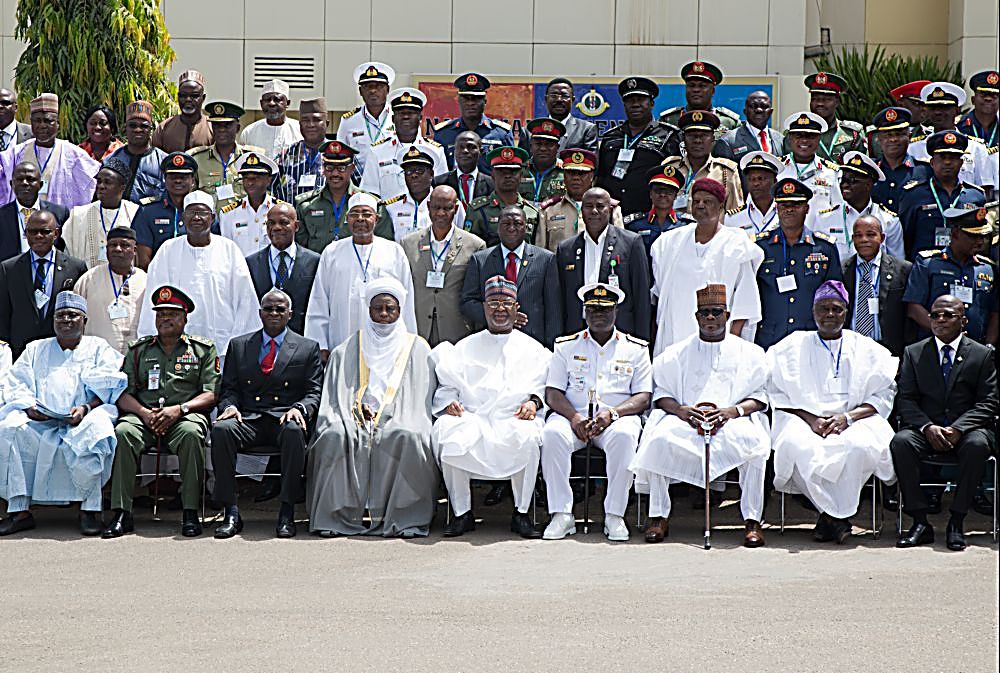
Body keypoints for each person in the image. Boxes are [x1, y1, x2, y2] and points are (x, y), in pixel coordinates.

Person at [631, 283, 770, 547]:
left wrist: (732, 411)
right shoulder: (673, 354)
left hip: (731, 421)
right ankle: (658, 515)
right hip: (686, 422)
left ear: (727, 316)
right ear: (696, 317)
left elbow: (761, 397)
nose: (710, 318)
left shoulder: (751, 353)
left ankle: (752, 520)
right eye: (704, 312)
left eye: (716, 312)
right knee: (658, 440)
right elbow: (661, 394)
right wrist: (682, 411)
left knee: (756, 445)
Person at [768, 280, 898, 544]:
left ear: (846, 312)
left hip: (855, 419)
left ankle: (828, 517)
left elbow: (884, 393)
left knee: (859, 446)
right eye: (824, 309)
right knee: (797, 446)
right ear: (813, 311)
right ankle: (835, 518)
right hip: (805, 420)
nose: (830, 315)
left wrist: (847, 418)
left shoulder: (867, 348)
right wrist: (811, 419)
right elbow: (776, 393)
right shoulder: (791, 346)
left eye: (836, 309)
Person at [307, 277, 438, 537]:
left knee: (409, 435)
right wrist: (358, 411)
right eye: (378, 308)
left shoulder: (418, 347)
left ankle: (405, 518)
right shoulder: (346, 350)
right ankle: (336, 516)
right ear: (369, 311)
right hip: (352, 414)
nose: (384, 314)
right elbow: (336, 397)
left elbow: (420, 396)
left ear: (400, 311)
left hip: (402, 414)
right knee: (333, 435)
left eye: (390, 309)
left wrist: (385, 414)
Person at [0, 291, 126, 537]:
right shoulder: (35, 348)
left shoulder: (99, 347)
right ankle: (19, 511)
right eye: (60, 316)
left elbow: (110, 385)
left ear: (84, 321)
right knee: (9, 429)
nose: (66, 320)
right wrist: (29, 407)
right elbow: (17, 383)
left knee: (98, 431)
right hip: (41, 421)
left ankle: (89, 510)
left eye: (72, 315)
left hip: (83, 418)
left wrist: (86, 408)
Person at [432, 275, 549, 539]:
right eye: (493, 303)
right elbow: (448, 384)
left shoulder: (533, 348)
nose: (499, 309)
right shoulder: (465, 346)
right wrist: (448, 402)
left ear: (516, 308)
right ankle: (462, 513)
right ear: (484, 307)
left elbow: (545, 384)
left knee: (528, 437)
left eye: (506, 303)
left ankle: (521, 513)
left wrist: (534, 402)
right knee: (447, 431)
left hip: (513, 417)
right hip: (472, 416)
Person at [103, 285, 220, 539]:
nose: (165, 318)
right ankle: (122, 512)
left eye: (172, 313)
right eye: (160, 314)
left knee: (191, 433)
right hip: (145, 417)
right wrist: (144, 414)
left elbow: (211, 393)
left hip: (183, 416)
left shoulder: (202, 350)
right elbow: (123, 393)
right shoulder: (138, 350)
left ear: (185, 318)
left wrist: (180, 409)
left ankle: (190, 512)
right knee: (123, 432)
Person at [541, 282, 652, 542]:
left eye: (605, 309)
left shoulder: (635, 349)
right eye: (592, 309)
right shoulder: (566, 346)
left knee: (625, 437)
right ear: (584, 312)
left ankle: (615, 514)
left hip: (616, 419)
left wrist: (612, 414)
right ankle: (562, 514)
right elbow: (553, 393)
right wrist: (574, 417)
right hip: (573, 416)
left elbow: (643, 397)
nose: (598, 314)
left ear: (616, 311)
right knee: (552, 435)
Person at [211, 288, 323, 539]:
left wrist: (299, 408)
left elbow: (313, 391)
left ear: (290, 314)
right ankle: (231, 511)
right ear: (260, 313)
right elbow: (229, 388)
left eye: (280, 309)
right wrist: (229, 407)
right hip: (249, 417)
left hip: (284, 418)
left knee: (295, 432)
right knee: (221, 430)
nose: (274, 313)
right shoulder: (239, 346)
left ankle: (286, 511)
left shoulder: (307, 347)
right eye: (269, 309)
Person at [891, 295, 999, 551]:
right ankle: (919, 521)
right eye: (935, 315)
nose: (940, 320)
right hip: (927, 428)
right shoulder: (914, 352)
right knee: (901, 442)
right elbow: (905, 400)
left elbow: (989, 402)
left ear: (963, 320)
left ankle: (957, 521)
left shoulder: (981, 355)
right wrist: (927, 427)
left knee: (978, 445)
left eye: (948, 315)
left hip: (966, 430)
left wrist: (959, 428)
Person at [138, 191, 260, 364]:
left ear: (212, 217)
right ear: (183, 216)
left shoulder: (229, 249)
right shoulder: (168, 250)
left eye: (202, 212)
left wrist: (239, 343)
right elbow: (154, 298)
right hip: (176, 347)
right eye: (191, 212)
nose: (196, 217)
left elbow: (246, 301)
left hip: (223, 346)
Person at [651, 178, 763, 354]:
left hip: (719, 338)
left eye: (707, 201)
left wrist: (732, 342)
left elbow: (745, 301)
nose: (701, 206)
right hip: (675, 335)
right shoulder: (670, 242)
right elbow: (658, 291)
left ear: (720, 206)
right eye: (697, 201)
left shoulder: (736, 244)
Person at [304, 192, 416, 361]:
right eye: (355, 214)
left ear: (376, 219)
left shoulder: (394, 251)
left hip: (386, 343)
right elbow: (319, 300)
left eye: (366, 214)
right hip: (342, 337)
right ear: (347, 219)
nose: (360, 219)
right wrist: (320, 345)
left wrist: (409, 342)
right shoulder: (332, 252)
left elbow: (406, 301)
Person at [754, 178, 842, 350]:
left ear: (807, 208)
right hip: (770, 338)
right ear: (777, 209)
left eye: (795, 205)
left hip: (811, 339)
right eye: (783, 205)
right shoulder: (760, 248)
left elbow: (834, 295)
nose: (789, 210)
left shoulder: (824, 248)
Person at [555, 187, 651, 340]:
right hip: (577, 332)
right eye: (588, 206)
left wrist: (642, 339)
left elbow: (641, 296)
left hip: (620, 331)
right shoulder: (566, 248)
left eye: (600, 206)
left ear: (610, 210)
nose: (594, 211)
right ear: (581, 211)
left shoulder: (631, 242)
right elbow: (559, 300)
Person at [461, 205, 561, 347]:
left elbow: (553, 309)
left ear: (526, 227)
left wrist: (551, 347)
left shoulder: (545, 259)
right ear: (498, 227)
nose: (512, 228)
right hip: (491, 341)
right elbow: (468, 302)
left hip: (532, 342)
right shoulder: (480, 260)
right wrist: (500, 316)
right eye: (506, 224)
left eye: (518, 224)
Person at [400, 185, 485, 346]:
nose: (441, 213)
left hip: (457, 329)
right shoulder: (408, 243)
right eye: (436, 207)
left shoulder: (474, 245)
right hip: (418, 328)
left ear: (456, 208)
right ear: (428, 207)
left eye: (447, 208)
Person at [903, 205, 997, 345]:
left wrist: (989, 346)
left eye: (982, 237)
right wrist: (943, 332)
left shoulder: (987, 268)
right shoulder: (929, 263)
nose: (980, 242)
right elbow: (914, 308)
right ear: (955, 234)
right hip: (935, 347)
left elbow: (995, 313)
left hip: (976, 351)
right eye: (973, 236)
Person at [0, 210, 87, 358]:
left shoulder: (75, 268)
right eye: (33, 232)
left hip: (61, 349)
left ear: (56, 233)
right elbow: (3, 314)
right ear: (26, 234)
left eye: (45, 231)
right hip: (21, 351)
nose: (38, 236)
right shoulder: (8, 268)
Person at [596, 76, 681, 218]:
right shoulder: (610, 137)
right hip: (612, 215)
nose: (635, 105)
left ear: (652, 103)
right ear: (624, 105)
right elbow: (601, 177)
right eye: (630, 101)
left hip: (648, 215)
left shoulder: (669, 135)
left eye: (641, 100)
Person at [897, 130, 988, 259]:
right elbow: (906, 237)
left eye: (953, 158)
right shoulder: (914, 195)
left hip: (962, 267)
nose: (947, 162)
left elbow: (980, 237)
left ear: (961, 163)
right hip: (925, 268)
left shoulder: (975, 196)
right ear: (932, 163)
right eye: (943, 157)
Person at [0, 93, 100, 208]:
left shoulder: (74, 154)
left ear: (58, 124)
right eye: (37, 121)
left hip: (59, 221)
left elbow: (92, 184)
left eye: (48, 121)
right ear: (31, 123)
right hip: (22, 221)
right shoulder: (15, 154)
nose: (42, 125)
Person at [810, 151, 904, 260]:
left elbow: (897, 264)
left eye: (851, 180)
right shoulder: (824, 219)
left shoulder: (888, 221)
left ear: (868, 185)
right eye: (843, 180)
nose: (844, 185)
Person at [841, 216, 913, 357]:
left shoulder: (903, 269)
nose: (864, 240)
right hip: (851, 349)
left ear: (882, 237)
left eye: (870, 234)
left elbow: (908, 317)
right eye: (858, 235)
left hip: (889, 350)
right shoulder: (842, 269)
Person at [246, 203, 321, 336]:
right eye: (270, 223)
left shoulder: (315, 261)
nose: (276, 228)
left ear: (296, 226)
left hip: (302, 341)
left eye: (284, 222)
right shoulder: (250, 263)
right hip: (262, 342)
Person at [909, 82, 996, 197]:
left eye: (944, 107)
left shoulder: (976, 148)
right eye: (933, 107)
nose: (938, 112)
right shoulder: (914, 149)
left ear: (957, 110)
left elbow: (986, 191)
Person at [359, 88, 447, 199]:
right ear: (392, 118)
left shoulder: (435, 151)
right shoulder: (377, 151)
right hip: (388, 215)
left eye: (411, 113)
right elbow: (369, 193)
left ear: (420, 118)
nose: (406, 117)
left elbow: (442, 191)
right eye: (401, 113)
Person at [73, 226, 147, 355]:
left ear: (134, 250)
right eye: (113, 245)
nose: (118, 249)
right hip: (97, 358)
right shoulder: (88, 280)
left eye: (124, 245)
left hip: (138, 358)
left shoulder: (146, 281)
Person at [541, 148, 625, 253]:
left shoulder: (611, 209)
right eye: (571, 173)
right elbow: (541, 254)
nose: (576, 178)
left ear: (591, 176)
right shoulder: (549, 210)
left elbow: (621, 249)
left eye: (581, 173)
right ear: (564, 176)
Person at [61, 157, 139, 268]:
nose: (101, 186)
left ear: (122, 188)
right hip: (86, 280)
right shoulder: (78, 215)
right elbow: (67, 253)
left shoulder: (135, 213)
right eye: (99, 181)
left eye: (107, 182)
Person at [661, 111, 743, 215]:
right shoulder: (670, 168)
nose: (698, 141)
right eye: (692, 135)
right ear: (683, 139)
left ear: (713, 139)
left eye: (704, 135)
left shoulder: (726, 171)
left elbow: (735, 215)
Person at [433, 72, 515, 175]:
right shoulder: (444, 133)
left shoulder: (501, 133)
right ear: (458, 100)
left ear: (485, 101)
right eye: (466, 98)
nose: (470, 103)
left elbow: (510, 169)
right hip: (454, 190)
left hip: (489, 189)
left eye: (476, 98)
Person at [131, 151, 203, 268]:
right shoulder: (148, 212)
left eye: (183, 177)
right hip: (161, 279)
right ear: (165, 179)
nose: (178, 181)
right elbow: (143, 260)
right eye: (173, 177)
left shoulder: (203, 212)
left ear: (193, 181)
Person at [377, 147, 460, 241]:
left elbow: (462, 237)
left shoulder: (450, 204)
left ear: (431, 174)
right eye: (409, 171)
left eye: (420, 170)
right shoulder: (392, 207)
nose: (414, 175)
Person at [464, 146, 542, 247]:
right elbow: (469, 247)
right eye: (502, 171)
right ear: (492, 175)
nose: (507, 176)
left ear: (521, 175)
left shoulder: (532, 212)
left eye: (513, 172)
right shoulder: (478, 210)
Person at [293, 140, 361, 253]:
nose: (335, 174)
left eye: (341, 168)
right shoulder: (305, 205)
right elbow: (300, 249)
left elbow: (383, 244)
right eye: (329, 167)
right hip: (317, 267)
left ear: (352, 169)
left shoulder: (367, 204)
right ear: (323, 169)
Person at [783, 72, 866, 162]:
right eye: (815, 99)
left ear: (837, 102)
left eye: (827, 99)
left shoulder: (852, 133)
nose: (820, 104)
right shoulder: (796, 134)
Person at [189, 101, 255, 209]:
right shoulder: (198, 159)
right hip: (210, 223)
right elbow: (191, 196)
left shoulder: (249, 158)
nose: (221, 130)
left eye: (227, 125)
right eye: (216, 125)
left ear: (238, 128)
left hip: (242, 222)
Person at [218, 150, 284, 257]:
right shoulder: (228, 214)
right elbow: (227, 252)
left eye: (256, 178)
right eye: (246, 178)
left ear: (268, 180)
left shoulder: (280, 210)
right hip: (241, 271)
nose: (250, 182)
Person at [336, 62, 396, 177]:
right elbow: (341, 157)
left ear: (387, 90)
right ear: (360, 91)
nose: (373, 91)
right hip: (360, 185)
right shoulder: (348, 121)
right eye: (368, 86)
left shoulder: (400, 118)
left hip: (392, 184)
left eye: (378, 86)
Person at [0, 162, 69, 261]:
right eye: (19, 180)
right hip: (9, 273)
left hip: (48, 271)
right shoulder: (2, 215)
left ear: (40, 185)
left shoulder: (60, 213)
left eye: (30, 179)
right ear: (12, 184)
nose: (24, 183)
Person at [776, 111, 843, 213]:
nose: (804, 140)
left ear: (819, 138)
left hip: (819, 228)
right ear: (789, 137)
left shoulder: (832, 172)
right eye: (798, 135)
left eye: (810, 136)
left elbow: (838, 209)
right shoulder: (777, 168)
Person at [869, 107, 932, 212]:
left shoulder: (925, 171)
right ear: (879, 139)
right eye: (888, 135)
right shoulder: (870, 170)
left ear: (909, 136)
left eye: (899, 134)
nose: (893, 139)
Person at [659, 61, 740, 139]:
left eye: (702, 86)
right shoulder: (668, 120)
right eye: (691, 85)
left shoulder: (729, 122)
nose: (696, 90)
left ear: (713, 91)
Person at [107, 100, 166, 204]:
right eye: (133, 125)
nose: (138, 130)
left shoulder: (163, 161)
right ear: (125, 128)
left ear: (151, 129)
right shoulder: (112, 160)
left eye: (144, 126)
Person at [622, 165, 686, 258]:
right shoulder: (634, 224)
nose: (663, 195)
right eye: (658, 191)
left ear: (675, 196)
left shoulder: (685, 225)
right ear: (650, 194)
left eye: (669, 192)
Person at [276, 98, 331, 203]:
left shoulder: (340, 154)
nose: (311, 125)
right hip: (292, 217)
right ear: (300, 124)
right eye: (306, 120)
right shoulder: (286, 155)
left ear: (326, 124)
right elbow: (273, 189)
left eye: (316, 120)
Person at [720, 90, 783, 178]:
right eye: (753, 106)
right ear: (745, 111)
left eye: (764, 106)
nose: (759, 110)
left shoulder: (780, 139)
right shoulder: (728, 141)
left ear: (771, 112)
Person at [151, 70, 213, 153]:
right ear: (178, 97)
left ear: (203, 98)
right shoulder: (164, 128)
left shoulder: (212, 127)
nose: (188, 100)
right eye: (183, 96)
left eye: (194, 96)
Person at [239, 79, 302, 160]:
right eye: (267, 99)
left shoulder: (299, 130)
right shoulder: (249, 132)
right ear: (261, 103)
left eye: (277, 99)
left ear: (287, 103)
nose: (271, 103)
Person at [432, 131, 495, 211]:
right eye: (460, 147)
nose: (465, 151)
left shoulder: (492, 184)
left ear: (481, 152)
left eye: (471, 147)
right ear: (454, 152)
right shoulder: (438, 182)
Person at [725, 151, 781, 237]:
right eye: (751, 179)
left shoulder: (786, 213)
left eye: (761, 178)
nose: (756, 183)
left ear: (775, 182)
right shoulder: (732, 218)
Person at [538, 78, 598, 151]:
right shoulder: (529, 131)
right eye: (554, 96)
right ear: (546, 99)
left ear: (572, 100)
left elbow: (592, 161)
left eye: (564, 96)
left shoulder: (586, 130)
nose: (559, 100)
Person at [518, 117, 566, 205]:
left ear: (557, 148)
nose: (543, 148)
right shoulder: (519, 170)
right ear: (531, 146)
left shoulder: (566, 172)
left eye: (549, 144)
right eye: (538, 144)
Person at [957, 70, 999, 149]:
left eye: (994, 95)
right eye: (983, 94)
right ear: (973, 100)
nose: (988, 98)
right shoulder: (958, 126)